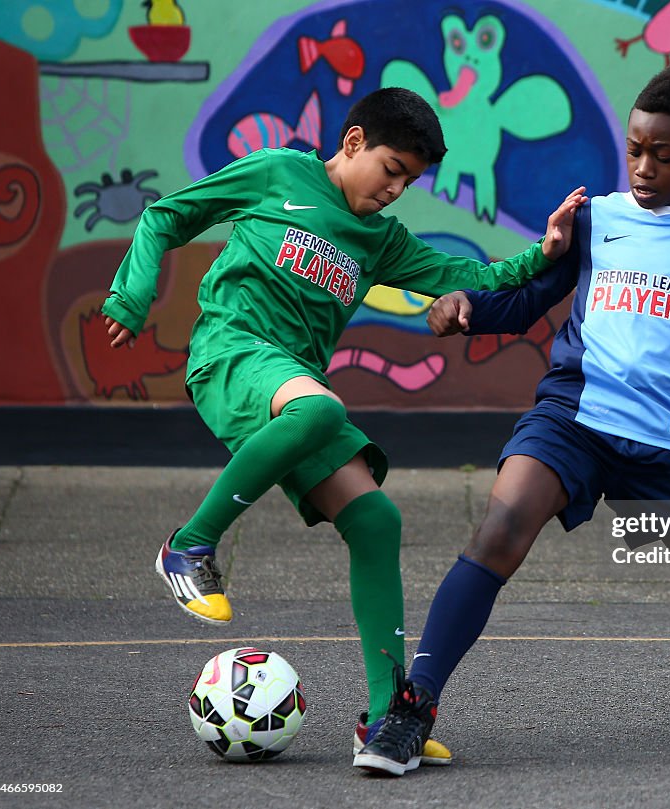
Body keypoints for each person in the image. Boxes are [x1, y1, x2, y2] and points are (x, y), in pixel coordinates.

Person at [355, 66, 670, 776]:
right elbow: (528, 299)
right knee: (500, 528)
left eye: (663, 155)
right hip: (572, 414)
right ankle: (412, 707)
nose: (643, 167)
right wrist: (467, 308)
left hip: (666, 442)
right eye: (634, 149)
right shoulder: (595, 217)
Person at [101, 87, 586, 764]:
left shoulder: (381, 241)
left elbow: (471, 274)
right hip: (232, 352)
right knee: (320, 407)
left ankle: (389, 718)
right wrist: (132, 292)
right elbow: (165, 215)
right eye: (391, 169)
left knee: (377, 519)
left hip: (293, 384)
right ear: (354, 142)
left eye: (410, 181)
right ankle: (187, 546)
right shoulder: (278, 173)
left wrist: (546, 251)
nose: (396, 189)